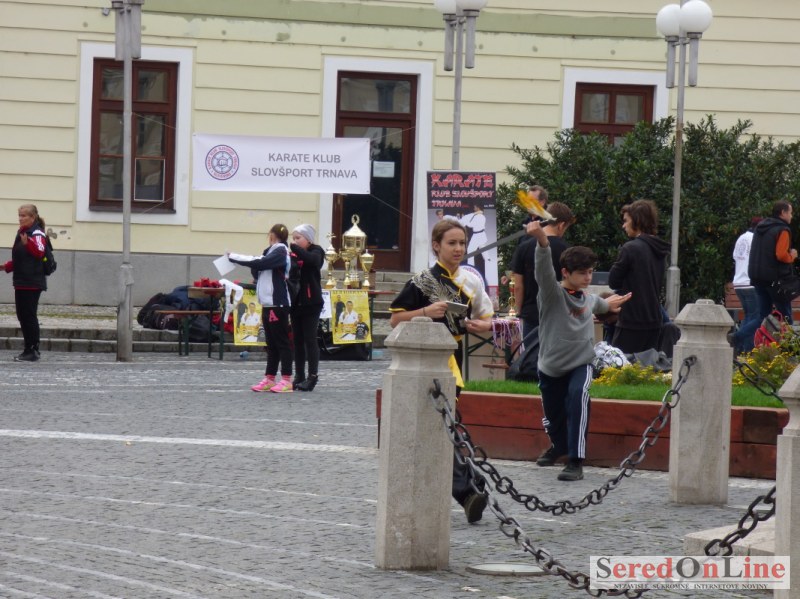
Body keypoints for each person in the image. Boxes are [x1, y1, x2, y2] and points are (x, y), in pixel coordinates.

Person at [389, 219, 494, 523]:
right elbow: (396, 319)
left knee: (442, 425)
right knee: (439, 425)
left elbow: (489, 319)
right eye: (452, 243)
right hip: (422, 361)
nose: (458, 248)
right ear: (436, 246)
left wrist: (479, 325)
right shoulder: (422, 281)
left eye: (462, 243)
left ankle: (470, 488)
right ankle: (470, 488)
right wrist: (425, 312)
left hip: (452, 359)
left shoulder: (471, 281)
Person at [525, 219, 631, 481]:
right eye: (583, 273)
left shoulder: (589, 299)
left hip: (581, 364)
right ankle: (559, 446)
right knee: (553, 416)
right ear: (565, 272)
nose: (588, 278)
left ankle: (575, 460)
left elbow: (601, 305)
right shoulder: (551, 294)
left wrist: (612, 305)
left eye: (590, 272)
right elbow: (542, 271)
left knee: (578, 397)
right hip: (550, 367)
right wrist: (542, 241)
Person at [228, 223, 294, 393]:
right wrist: (254, 265)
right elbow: (258, 269)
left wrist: (234, 257)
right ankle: (270, 378)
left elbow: (261, 263)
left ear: (271, 235)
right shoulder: (270, 252)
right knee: (271, 344)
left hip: (277, 303)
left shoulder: (280, 251)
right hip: (267, 303)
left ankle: (287, 379)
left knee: (282, 343)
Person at [607, 199, 670, 354]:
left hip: (631, 320)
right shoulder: (659, 250)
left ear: (637, 220)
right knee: (647, 365)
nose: (624, 226)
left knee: (620, 364)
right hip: (654, 319)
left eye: (626, 221)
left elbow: (613, 281)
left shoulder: (631, 248)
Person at [510, 201, 575, 339]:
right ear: (561, 225)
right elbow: (572, 283)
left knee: (531, 352)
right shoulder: (568, 251)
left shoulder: (523, 247)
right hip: (559, 313)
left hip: (531, 314)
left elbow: (518, 285)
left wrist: (518, 312)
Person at [2, 204, 49, 362]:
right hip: (22, 280)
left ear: (33, 217)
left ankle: (32, 350)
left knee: (28, 316)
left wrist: (28, 243)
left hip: (32, 281)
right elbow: (21, 259)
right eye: (19, 215)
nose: (20, 218)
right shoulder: (22, 232)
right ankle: (28, 348)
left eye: (24, 216)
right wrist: (5, 266)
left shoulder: (36, 233)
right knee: (22, 315)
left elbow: (40, 252)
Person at [747, 200, 798, 327]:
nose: (791, 216)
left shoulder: (760, 227)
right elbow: (781, 255)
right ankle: (788, 342)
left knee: (763, 317)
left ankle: (739, 336)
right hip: (775, 280)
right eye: (790, 212)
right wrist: (792, 256)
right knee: (786, 318)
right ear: (783, 212)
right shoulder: (783, 230)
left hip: (757, 277)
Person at [289, 223, 325, 392]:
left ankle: (313, 376)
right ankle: (299, 375)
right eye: (293, 238)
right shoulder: (294, 254)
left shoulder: (316, 251)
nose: (295, 241)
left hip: (311, 302)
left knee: (310, 340)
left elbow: (312, 261)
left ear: (308, 239)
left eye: (298, 238)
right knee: (297, 341)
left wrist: (295, 249)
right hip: (296, 302)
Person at [730, 217, 762, 354]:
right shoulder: (756, 239)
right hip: (750, 282)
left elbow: (735, 257)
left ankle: (741, 348)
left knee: (749, 316)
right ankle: (740, 340)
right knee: (756, 317)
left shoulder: (741, 238)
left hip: (738, 282)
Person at [460, 203, 487, 281]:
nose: (474, 209)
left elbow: (471, 225)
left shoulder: (479, 216)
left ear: (478, 208)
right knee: (482, 253)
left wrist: (465, 220)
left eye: (475, 207)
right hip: (476, 236)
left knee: (472, 253)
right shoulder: (477, 215)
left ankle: (471, 271)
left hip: (476, 236)